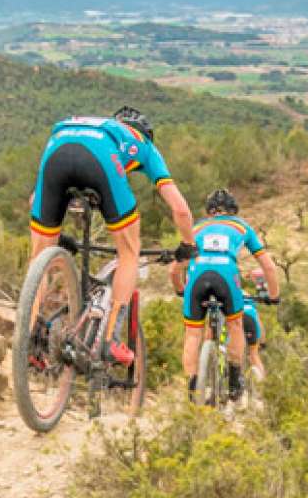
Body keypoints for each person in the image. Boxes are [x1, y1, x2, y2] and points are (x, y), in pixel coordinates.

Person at [28, 106, 196, 365]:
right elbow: (181, 210)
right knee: (129, 252)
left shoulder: (95, 126)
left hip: (56, 149)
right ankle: (110, 340)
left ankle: (28, 341)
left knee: (38, 256)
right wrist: (187, 245)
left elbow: (34, 200)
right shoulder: (145, 146)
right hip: (100, 159)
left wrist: (55, 235)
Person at [172, 189, 279, 400]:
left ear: (209, 212)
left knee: (193, 334)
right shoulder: (242, 226)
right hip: (226, 275)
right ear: (234, 211)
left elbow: (174, 270)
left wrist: (180, 290)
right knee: (235, 325)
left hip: (197, 277)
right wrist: (274, 296)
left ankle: (193, 390)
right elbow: (269, 267)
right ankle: (234, 379)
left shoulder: (196, 228)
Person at [241, 270, 269, 382]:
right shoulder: (248, 298)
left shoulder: (227, 293)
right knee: (253, 355)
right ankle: (263, 384)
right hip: (251, 321)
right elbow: (257, 319)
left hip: (233, 321)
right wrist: (262, 340)